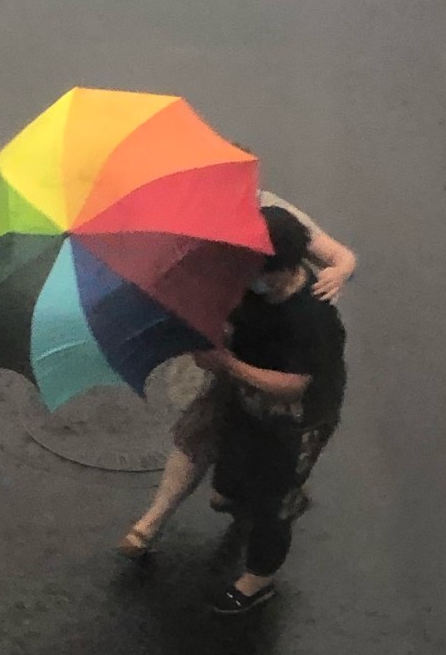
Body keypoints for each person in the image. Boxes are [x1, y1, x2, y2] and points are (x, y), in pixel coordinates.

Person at [119, 195, 354, 556]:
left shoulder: (304, 306)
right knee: (199, 433)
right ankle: (159, 517)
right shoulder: (194, 234)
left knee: (270, 492)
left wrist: (339, 271)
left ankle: (266, 542)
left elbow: (295, 385)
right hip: (244, 366)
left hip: (289, 406)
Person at [199, 206, 347, 613]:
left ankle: (258, 579)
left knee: (273, 499)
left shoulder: (313, 317)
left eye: (259, 273)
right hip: (248, 402)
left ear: (285, 268)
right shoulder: (248, 282)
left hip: (297, 420)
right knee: (225, 487)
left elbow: (293, 386)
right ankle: (249, 495)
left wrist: (226, 364)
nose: (250, 281)